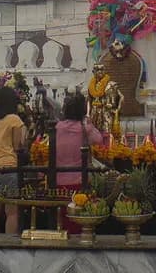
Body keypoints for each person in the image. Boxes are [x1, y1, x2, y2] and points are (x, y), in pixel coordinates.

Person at [56, 93, 103, 234]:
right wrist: (89, 123)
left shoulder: (57, 127)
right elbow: (99, 139)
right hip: (79, 179)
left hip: (58, 180)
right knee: (78, 218)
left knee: (63, 218)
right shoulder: (84, 129)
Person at [0, 85, 26, 234]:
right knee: (12, 212)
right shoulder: (14, 119)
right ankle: (9, 246)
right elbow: (17, 146)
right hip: (8, 169)